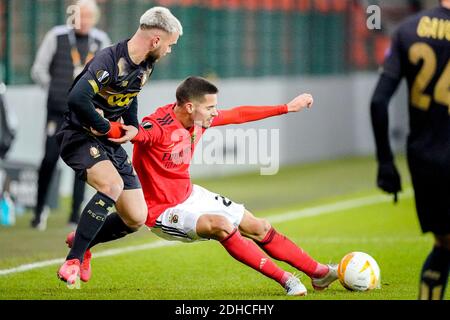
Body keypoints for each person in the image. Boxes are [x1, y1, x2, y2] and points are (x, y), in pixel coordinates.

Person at [68, 76, 338, 295]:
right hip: (162, 210)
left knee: (260, 226)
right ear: (189, 107)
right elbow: (136, 133)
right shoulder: (158, 126)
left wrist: (286, 107)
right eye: (210, 107)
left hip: (190, 194)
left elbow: (239, 114)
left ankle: (319, 273)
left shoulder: (199, 119)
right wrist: (102, 126)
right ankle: (287, 280)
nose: (215, 113)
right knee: (221, 225)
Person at [55, 6, 183, 288]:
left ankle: (82, 241)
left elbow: (130, 95)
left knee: (137, 217)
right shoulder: (108, 61)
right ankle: (72, 260)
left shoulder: (146, 63)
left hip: (109, 141)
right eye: (170, 45)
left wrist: (133, 126)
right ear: (156, 40)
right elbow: (77, 99)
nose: (170, 51)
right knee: (111, 186)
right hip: (79, 135)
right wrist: (104, 127)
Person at [370, 0, 450, 300]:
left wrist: (385, 162)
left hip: (425, 159)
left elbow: (378, 101)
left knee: (443, 244)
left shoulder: (408, 30)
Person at [30, 0, 111, 230]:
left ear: (94, 19)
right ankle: (39, 211)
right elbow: (38, 70)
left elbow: (108, 76)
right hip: (57, 111)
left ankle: (75, 214)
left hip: (85, 114)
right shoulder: (56, 36)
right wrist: (56, 90)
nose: (83, 21)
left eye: (88, 17)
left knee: (84, 162)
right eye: (79, 16)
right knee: (48, 159)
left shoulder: (101, 41)